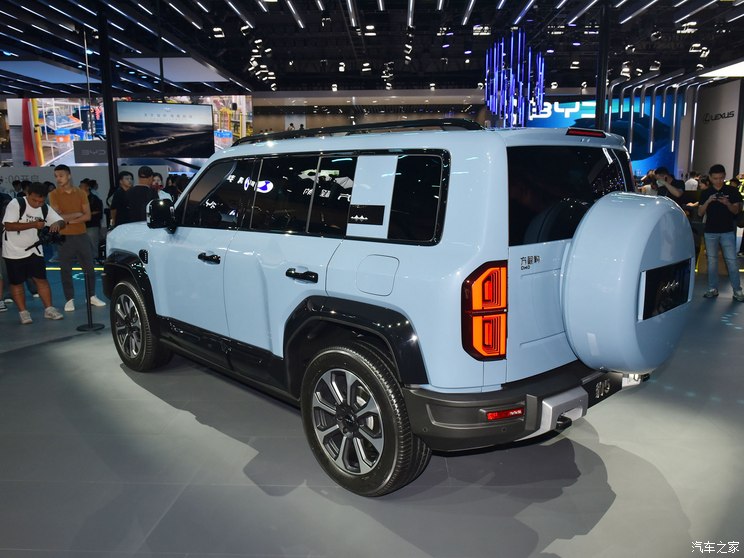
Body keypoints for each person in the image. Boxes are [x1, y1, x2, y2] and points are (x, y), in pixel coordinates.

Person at [1, 181, 65, 324]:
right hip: (13, 250)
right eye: (34, 200)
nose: (37, 204)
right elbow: (8, 225)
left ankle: (49, 309)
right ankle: (23, 312)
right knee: (17, 282)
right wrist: (34, 224)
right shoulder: (16, 204)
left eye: (41, 201)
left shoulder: (44, 208)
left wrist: (57, 224)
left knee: (41, 279)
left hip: (34, 250)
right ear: (27, 194)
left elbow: (61, 221)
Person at [48, 165, 106, 311]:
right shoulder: (54, 194)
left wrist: (66, 220)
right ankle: (69, 299)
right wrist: (77, 214)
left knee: (89, 268)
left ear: (69, 176)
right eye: (56, 176)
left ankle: (91, 295)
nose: (58, 179)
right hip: (64, 237)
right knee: (65, 269)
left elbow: (87, 216)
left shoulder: (80, 193)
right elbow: (56, 217)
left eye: (61, 175)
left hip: (81, 235)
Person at [697, 164, 744, 301]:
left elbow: (736, 211)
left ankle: (737, 290)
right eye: (715, 178)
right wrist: (708, 201)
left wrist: (727, 203)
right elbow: (700, 213)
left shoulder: (732, 191)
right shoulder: (706, 193)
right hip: (710, 231)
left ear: (724, 177)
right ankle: (713, 288)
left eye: (721, 178)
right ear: (710, 178)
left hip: (727, 230)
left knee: (732, 261)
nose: (718, 181)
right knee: (712, 262)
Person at [80, 178, 103, 261]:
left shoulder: (94, 198)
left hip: (92, 224)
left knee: (93, 243)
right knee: (83, 243)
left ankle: (95, 258)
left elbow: (98, 211)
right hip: (82, 224)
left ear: (87, 187)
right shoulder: (79, 199)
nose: (80, 188)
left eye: (81, 186)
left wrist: (86, 214)